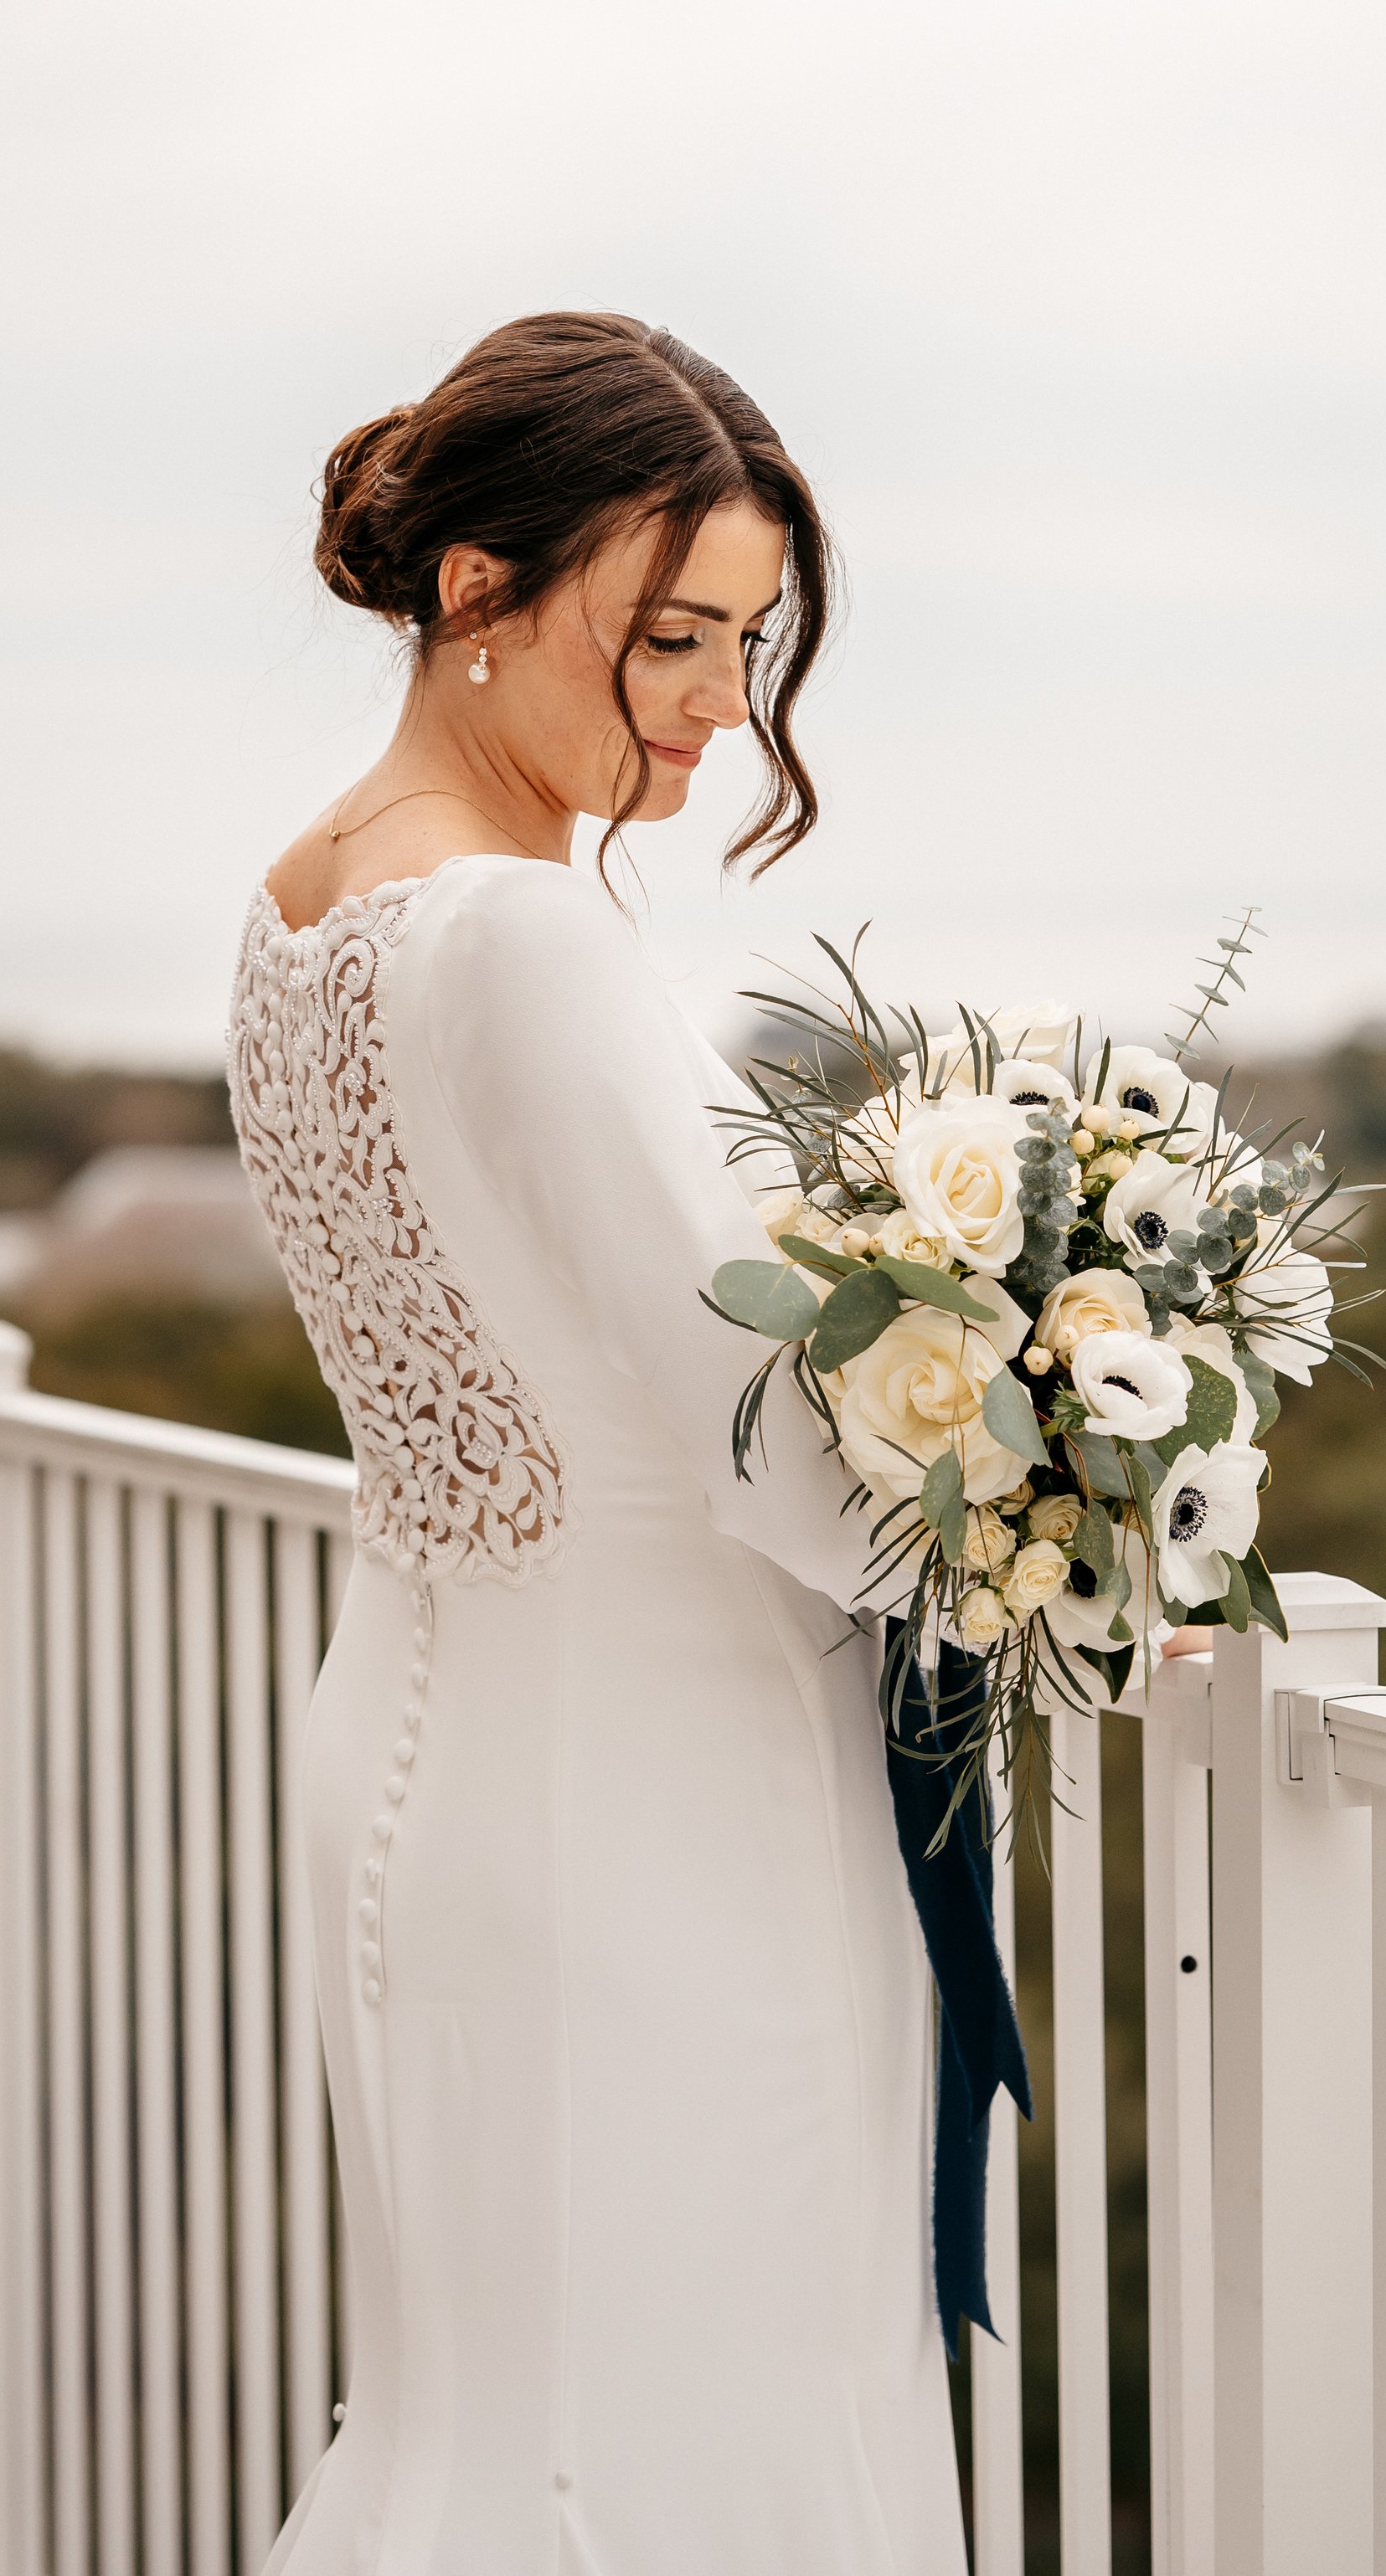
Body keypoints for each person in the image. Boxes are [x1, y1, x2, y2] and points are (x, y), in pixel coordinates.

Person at [230, 314, 966, 2573]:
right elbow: (756, 1419)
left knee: (498, 2415)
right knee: (699, 2428)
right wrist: (1036, 1523)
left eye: (745, 645)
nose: (715, 708)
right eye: (665, 635)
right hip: (669, 1807)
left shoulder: (298, 905)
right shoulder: (529, 937)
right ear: (474, 585)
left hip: (426, 1761)